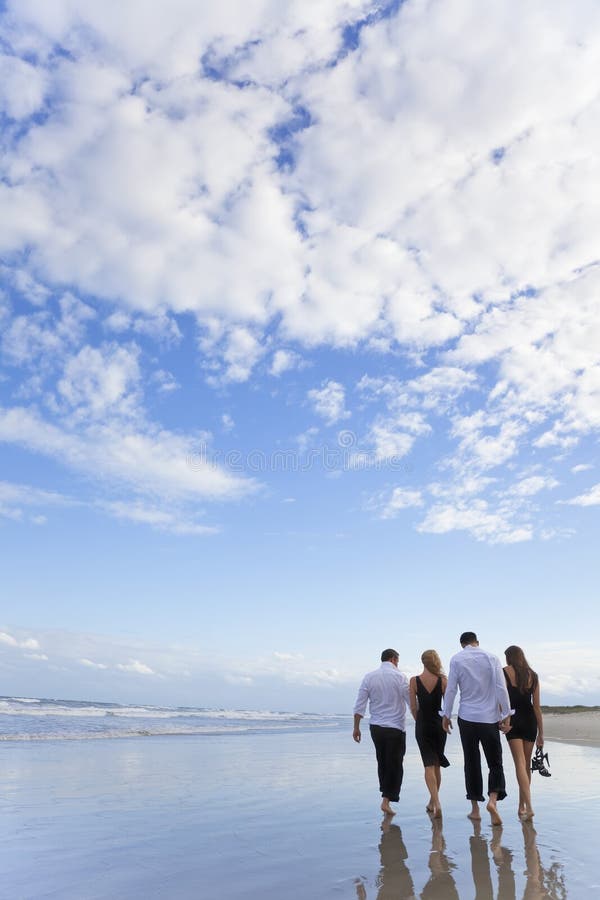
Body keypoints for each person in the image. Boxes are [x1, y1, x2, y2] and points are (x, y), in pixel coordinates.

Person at [441, 631, 512, 826]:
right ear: (477, 642)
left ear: (462, 644)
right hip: (489, 718)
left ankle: (475, 810)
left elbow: (451, 689)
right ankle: (492, 801)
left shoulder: (456, 659)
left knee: (471, 762)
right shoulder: (491, 657)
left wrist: (446, 715)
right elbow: (500, 687)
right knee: (495, 761)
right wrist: (506, 714)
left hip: (467, 718)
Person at [353, 648, 411, 816]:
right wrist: (421, 719)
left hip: (376, 727)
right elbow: (410, 702)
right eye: (397, 661)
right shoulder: (400, 677)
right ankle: (386, 799)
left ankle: (385, 795)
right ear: (393, 659)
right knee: (395, 763)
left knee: (382, 760)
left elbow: (359, 705)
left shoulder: (369, 677)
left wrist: (356, 727)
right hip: (395, 727)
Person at [502, 645, 545, 820]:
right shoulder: (532, 675)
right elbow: (537, 707)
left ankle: (529, 806)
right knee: (526, 765)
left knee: (519, 764)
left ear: (509, 658)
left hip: (513, 720)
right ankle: (522, 806)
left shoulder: (504, 672)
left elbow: (501, 699)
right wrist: (541, 733)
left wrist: (503, 720)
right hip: (530, 721)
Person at [409, 649, 450, 819]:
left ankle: (436, 802)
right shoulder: (443, 680)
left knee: (428, 764)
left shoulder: (414, 681)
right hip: (439, 724)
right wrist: (445, 720)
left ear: (422, 662)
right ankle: (433, 801)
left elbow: (413, 707)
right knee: (437, 763)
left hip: (423, 724)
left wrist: (419, 720)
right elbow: (447, 706)